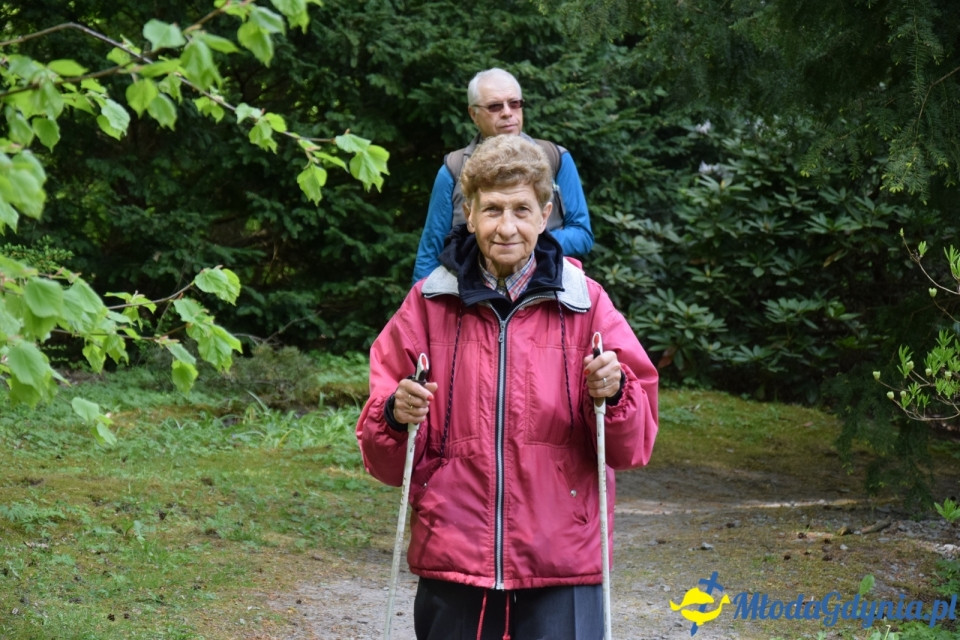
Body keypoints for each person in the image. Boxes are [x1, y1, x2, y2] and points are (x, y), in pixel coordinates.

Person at [357, 134, 658, 640]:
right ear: (470, 215)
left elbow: (633, 447)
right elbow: (385, 462)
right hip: (455, 551)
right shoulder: (428, 304)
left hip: (565, 556)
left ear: (545, 216)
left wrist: (616, 393)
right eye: (492, 209)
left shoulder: (587, 304)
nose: (507, 226)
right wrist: (394, 414)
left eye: (521, 209)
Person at [412, 67, 594, 283]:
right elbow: (430, 251)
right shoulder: (453, 169)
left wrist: (522, 241)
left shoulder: (555, 158)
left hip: (545, 285)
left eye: (514, 103)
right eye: (495, 106)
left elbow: (582, 234)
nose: (507, 112)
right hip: (470, 292)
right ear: (473, 114)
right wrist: (422, 299)